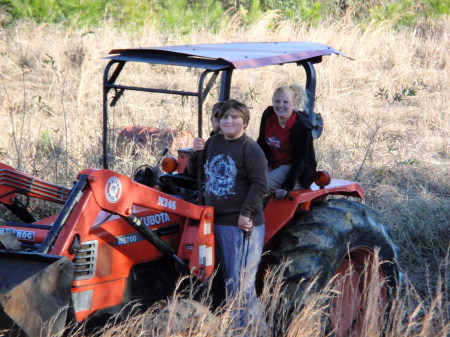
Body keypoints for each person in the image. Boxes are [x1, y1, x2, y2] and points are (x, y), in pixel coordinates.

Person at [187, 99, 268, 329]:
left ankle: (250, 331)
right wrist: (195, 153)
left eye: (235, 117)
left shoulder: (250, 149)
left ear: (245, 121)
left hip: (239, 224)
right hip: (216, 222)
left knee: (241, 284)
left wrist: (246, 213)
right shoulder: (213, 142)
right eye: (225, 117)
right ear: (218, 121)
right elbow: (197, 174)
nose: (229, 121)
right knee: (227, 283)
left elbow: (260, 184)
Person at [257, 84, 317, 199]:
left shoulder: (302, 127)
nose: (280, 105)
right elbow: (261, 143)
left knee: (260, 186)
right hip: (272, 162)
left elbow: (300, 161)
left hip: (291, 167)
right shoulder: (269, 116)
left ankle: (249, 215)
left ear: (294, 105)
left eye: (285, 102)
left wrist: (287, 186)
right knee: (244, 181)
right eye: (277, 101)